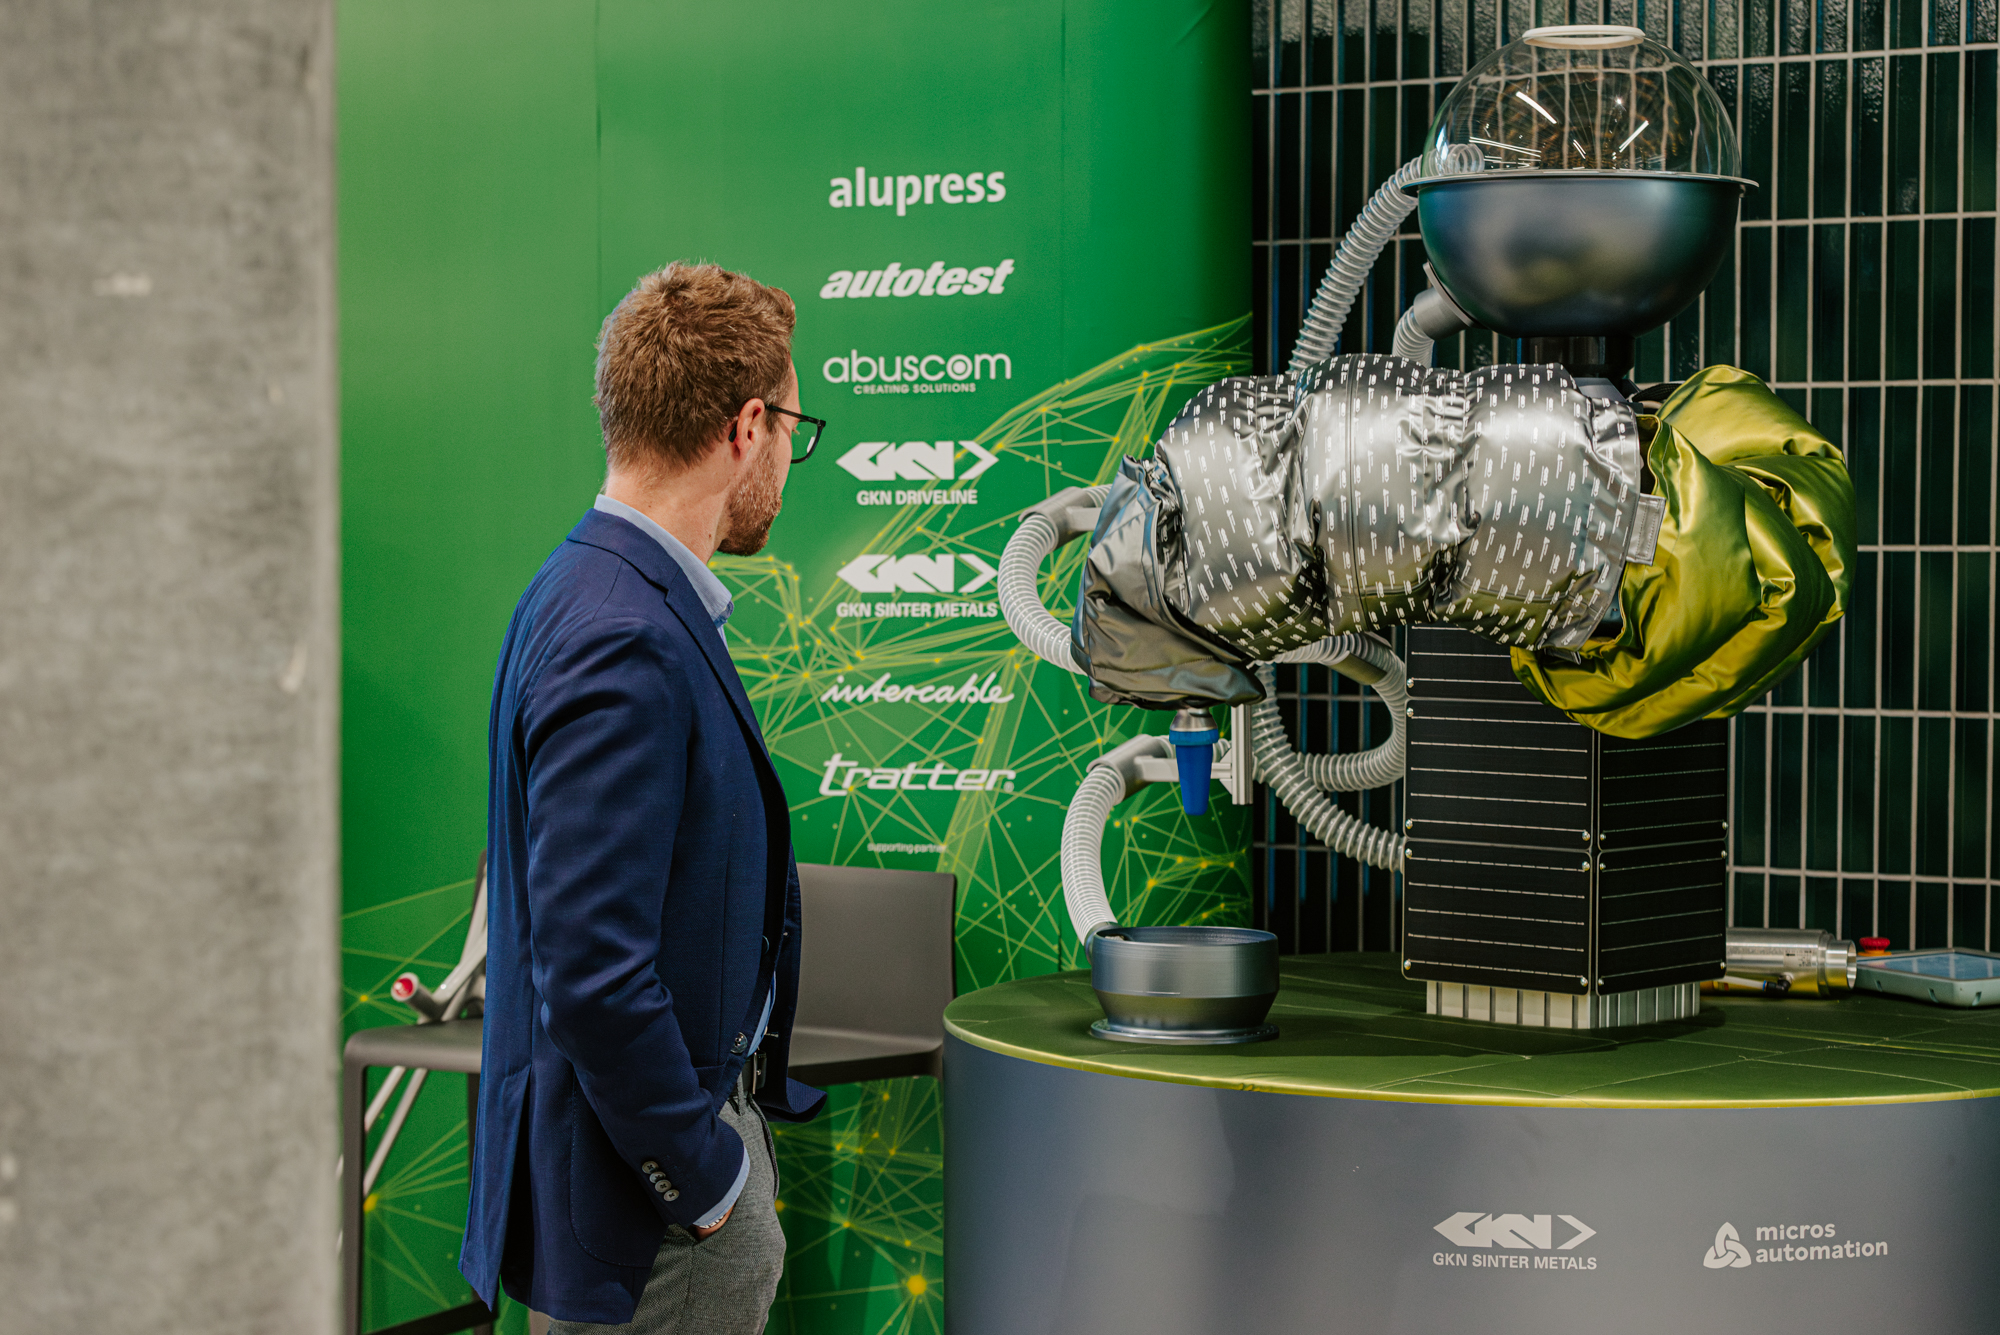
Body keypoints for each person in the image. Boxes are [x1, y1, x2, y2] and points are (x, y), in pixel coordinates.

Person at [460, 262, 826, 1333]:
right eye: (792, 431)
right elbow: (592, 971)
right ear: (746, 428)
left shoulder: (589, 588)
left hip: (634, 1182)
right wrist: (702, 1181)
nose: (787, 464)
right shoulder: (624, 633)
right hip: (651, 1214)